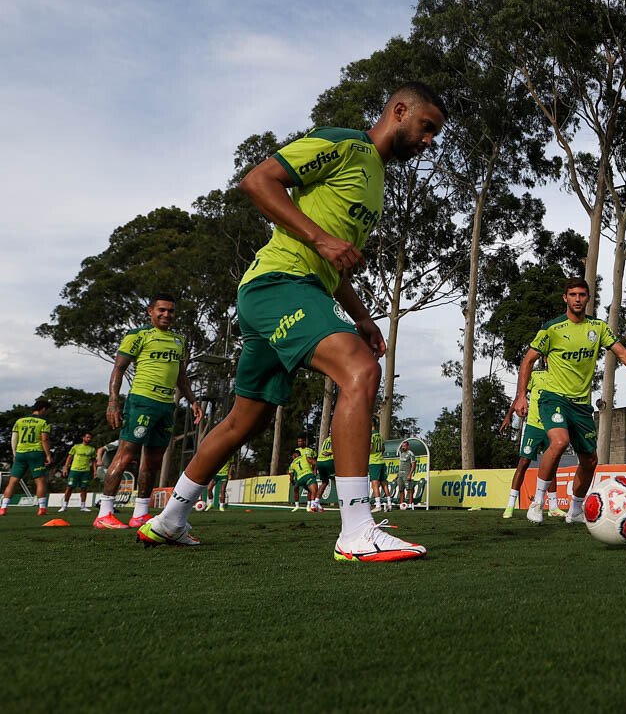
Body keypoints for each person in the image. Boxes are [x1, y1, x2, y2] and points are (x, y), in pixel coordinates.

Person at [137, 82, 446, 562]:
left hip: (290, 291)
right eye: (427, 128)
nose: (430, 141)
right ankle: (356, 531)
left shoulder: (377, 183)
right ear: (399, 111)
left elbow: (333, 260)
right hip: (279, 285)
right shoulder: (345, 143)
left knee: (244, 420)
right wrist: (323, 241)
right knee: (360, 371)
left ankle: (169, 520)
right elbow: (258, 181)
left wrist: (362, 316)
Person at [511, 278, 626, 525]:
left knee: (590, 461)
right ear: (565, 298)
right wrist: (521, 395)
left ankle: (575, 511)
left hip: (581, 404)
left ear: (588, 298)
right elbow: (527, 360)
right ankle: (537, 503)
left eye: (582, 294)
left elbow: (622, 353)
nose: (578, 299)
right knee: (559, 442)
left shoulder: (598, 328)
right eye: (573, 294)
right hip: (553, 397)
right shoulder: (552, 329)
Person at [96, 294, 204, 529]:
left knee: (153, 461)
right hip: (142, 401)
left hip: (167, 406)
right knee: (126, 455)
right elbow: (119, 369)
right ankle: (104, 513)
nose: (167, 315)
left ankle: (141, 514)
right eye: (162, 310)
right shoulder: (138, 335)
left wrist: (193, 401)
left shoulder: (179, 340)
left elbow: (180, 375)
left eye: (171, 311)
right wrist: (113, 400)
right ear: (150, 312)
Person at [503, 367, 562, 519]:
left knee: (552, 465)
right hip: (533, 426)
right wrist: (508, 416)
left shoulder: (562, 377)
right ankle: (510, 505)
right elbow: (520, 395)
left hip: (552, 427)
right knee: (523, 463)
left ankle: (554, 507)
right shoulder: (536, 375)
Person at [2, 399, 53, 516]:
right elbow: (44, 439)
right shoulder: (44, 422)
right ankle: (42, 508)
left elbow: (14, 438)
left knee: (13, 481)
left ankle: (3, 508)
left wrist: (15, 453)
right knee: (40, 481)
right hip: (36, 453)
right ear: (43, 409)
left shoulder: (20, 421)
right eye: (47, 410)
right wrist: (48, 455)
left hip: (20, 453)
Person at [58, 432, 98, 513]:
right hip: (74, 470)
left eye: (90, 438)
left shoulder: (92, 449)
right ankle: (64, 506)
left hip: (85, 471)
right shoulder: (76, 447)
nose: (89, 439)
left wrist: (95, 471)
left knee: (84, 488)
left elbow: (94, 461)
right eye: (87, 437)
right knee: (69, 488)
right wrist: (65, 468)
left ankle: (83, 506)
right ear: (83, 438)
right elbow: (69, 457)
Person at [288, 439, 319, 512]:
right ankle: (311, 506)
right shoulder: (305, 457)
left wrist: (292, 481)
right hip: (308, 475)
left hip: (300, 479)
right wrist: (315, 470)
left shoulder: (292, 464)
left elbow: (291, 475)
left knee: (296, 488)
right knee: (312, 490)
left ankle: (296, 506)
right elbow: (315, 462)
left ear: (295, 455)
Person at [368, 430, 391, 513]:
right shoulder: (380, 436)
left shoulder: (371, 436)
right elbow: (383, 448)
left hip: (374, 462)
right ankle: (389, 504)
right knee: (384, 483)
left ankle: (378, 505)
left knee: (374, 484)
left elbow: (370, 448)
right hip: (381, 461)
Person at [313, 433, 336, 505]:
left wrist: (315, 469)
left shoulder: (326, 440)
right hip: (328, 461)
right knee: (337, 480)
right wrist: (331, 453)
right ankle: (344, 500)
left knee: (324, 482)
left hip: (320, 461)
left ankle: (315, 502)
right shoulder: (336, 438)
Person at [395, 441, 418, 510]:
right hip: (400, 474)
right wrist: (397, 475)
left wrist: (410, 474)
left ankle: (410, 504)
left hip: (406, 473)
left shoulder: (410, 454)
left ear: (408, 446)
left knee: (409, 489)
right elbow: (400, 465)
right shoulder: (401, 454)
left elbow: (413, 465)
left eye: (404, 446)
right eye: (402, 446)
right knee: (401, 489)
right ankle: (402, 505)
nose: (403, 447)